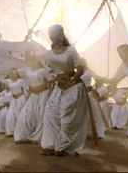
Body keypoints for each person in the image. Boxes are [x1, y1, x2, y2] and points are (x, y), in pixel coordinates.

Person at [41, 24, 90, 157]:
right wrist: (55, 79)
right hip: (58, 86)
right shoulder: (48, 53)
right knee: (50, 114)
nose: (53, 38)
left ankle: (65, 147)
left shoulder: (71, 50)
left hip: (72, 86)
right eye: (51, 35)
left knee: (68, 118)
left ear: (61, 35)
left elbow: (80, 70)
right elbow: (49, 70)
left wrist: (71, 80)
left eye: (56, 35)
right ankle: (49, 145)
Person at [14, 60, 55, 144]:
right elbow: (15, 73)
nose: (32, 60)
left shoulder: (44, 70)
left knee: (41, 116)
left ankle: (36, 138)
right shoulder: (26, 70)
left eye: (33, 58)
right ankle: (21, 136)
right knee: (23, 116)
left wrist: (48, 90)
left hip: (43, 95)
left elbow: (51, 83)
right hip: (33, 96)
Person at [80, 58, 108, 139]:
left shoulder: (89, 71)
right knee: (84, 114)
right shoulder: (76, 72)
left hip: (88, 94)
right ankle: (87, 133)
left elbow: (98, 78)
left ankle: (99, 133)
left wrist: (104, 81)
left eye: (82, 63)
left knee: (94, 112)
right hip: (81, 94)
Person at [0, 68, 29, 138]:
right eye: (11, 73)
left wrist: (28, 99)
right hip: (13, 100)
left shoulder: (21, 81)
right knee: (10, 116)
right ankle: (11, 131)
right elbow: (2, 81)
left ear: (17, 74)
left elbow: (25, 90)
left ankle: (20, 133)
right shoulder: (9, 81)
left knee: (19, 116)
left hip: (21, 99)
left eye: (14, 73)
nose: (13, 74)